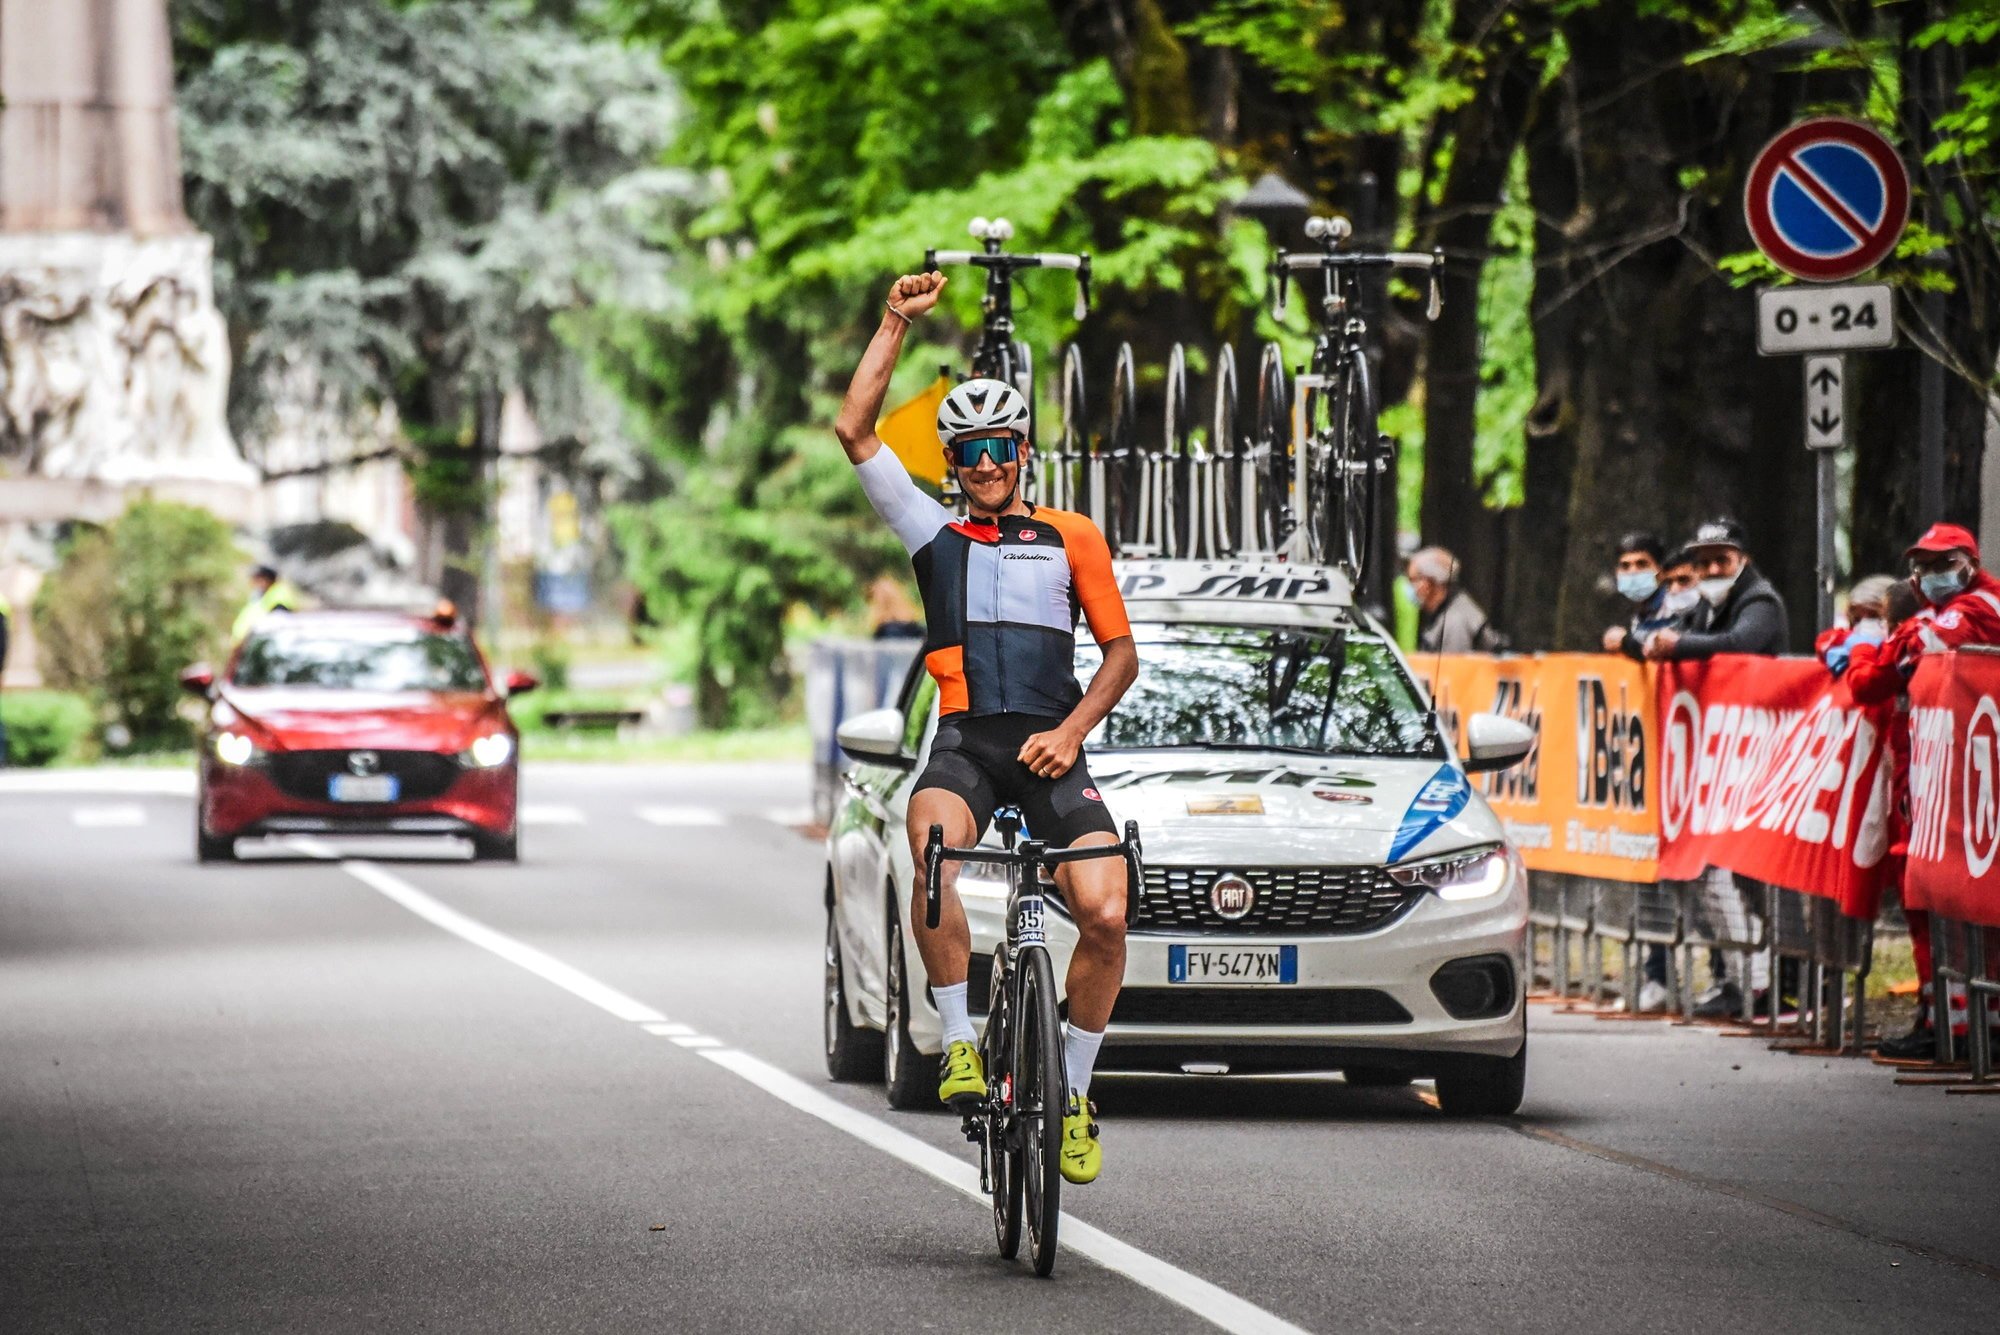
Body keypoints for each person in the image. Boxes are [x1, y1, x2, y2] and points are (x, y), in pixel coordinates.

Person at [834, 269, 1139, 1186]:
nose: (988, 463)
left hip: (1053, 744)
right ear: (953, 465)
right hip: (968, 746)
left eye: (1001, 446)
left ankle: (1076, 1096)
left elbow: (1120, 657)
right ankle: (961, 1040)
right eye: (970, 451)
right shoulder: (932, 534)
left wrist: (1076, 730)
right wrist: (893, 318)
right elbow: (854, 429)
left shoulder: (1074, 537)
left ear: (1022, 452)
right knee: (930, 849)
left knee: (1108, 910)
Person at [1842, 524, 2000, 1058]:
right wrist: (1875, 643)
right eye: (1924, 565)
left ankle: (1975, 1024)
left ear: (1970, 563)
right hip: (1933, 777)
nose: (1933, 575)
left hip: (1977, 779)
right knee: (1926, 894)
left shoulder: (1984, 605)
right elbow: (1869, 682)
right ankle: (1943, 1017)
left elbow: (1932, 641)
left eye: (1943, 563)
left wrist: (1892, 640)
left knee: (1972, 895)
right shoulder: (1931, 616)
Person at [1645, 520, 1789, 1017]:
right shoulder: (1708, 603)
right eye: (1702, 561)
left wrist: (1676, 648)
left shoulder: (1761, 601)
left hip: (1754, 753)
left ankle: (1761, 981)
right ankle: (1739, 976)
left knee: (1734, 871)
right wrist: (1636, 643)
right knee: (1707, 870)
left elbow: (1742, 643)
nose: (1709, 570)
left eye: (1719, 560)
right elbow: (1672, 637)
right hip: (1716, 756)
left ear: (1741, 558)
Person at [1645, 519, 1789, 660]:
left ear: (1744, 560)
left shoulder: (1761, 599)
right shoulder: (1707, 598)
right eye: (1704, 562)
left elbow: (1739, 644)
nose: (1713, 570)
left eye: (1722, 560)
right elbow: (1680, 631)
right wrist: (1654, 640)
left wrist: (1678, 644)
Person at [1407, 547, 1504, 653]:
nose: (1410, 587)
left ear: (1429, 582)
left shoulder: (1455, 622)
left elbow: (1452, 667)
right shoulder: (1449, 611)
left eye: (1413, 580)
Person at [231, 565, 300, 642]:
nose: (253, 582)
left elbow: (275, 627)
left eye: (257, 578)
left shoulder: (279, 598)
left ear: (266, 580)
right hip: (248, 646)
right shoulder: (262, 595)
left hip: (257, 647)